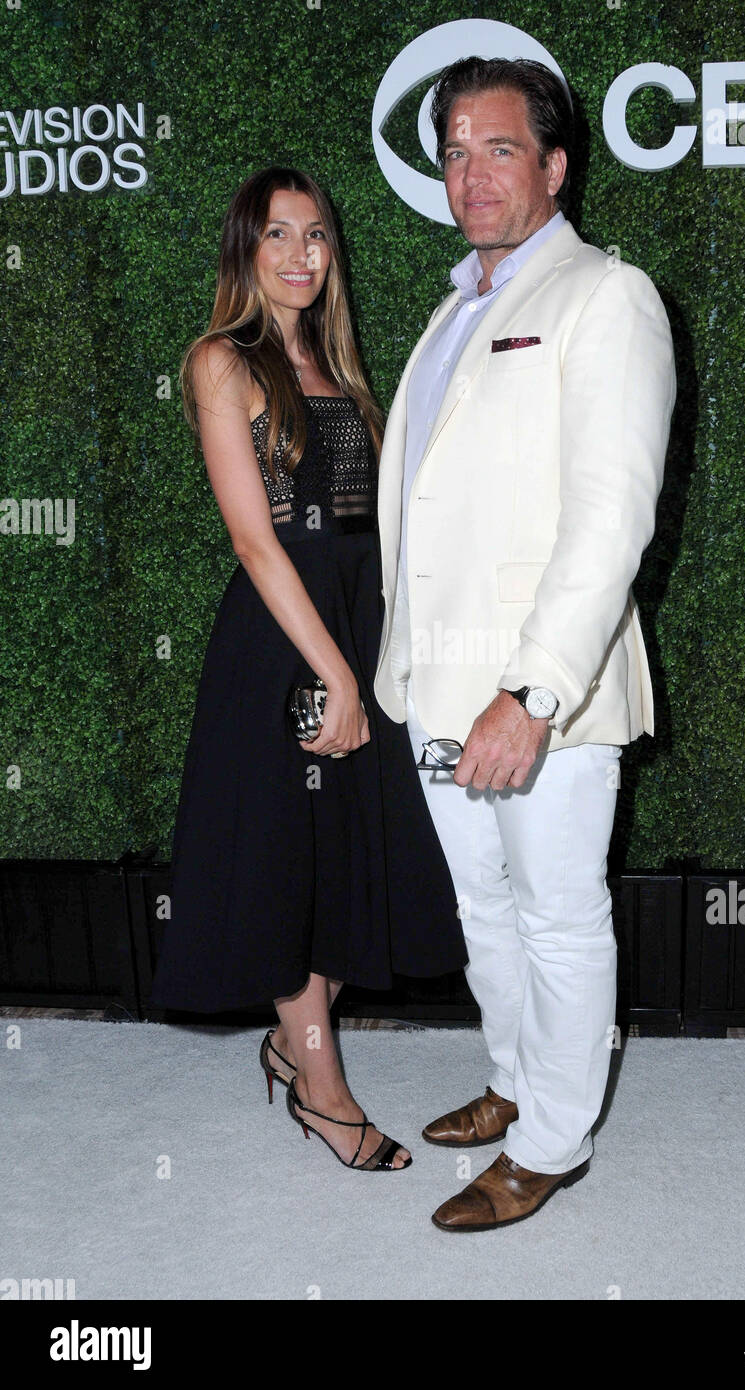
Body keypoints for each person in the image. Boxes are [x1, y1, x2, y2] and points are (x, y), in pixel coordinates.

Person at [373, 59, 676, 1227]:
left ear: (553, 167)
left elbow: (611, 519)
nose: (470, 173)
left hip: (538, 693)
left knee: (555, 912)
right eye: (454, 150)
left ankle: (553, 1140)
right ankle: (513, 1080)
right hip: (439, 681)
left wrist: (533, 692)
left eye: (498, 149)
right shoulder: (456, 306)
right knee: (484, 911)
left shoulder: (606, 296)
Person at [149, 166, 466, 1172]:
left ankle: (294, 1042)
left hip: (356, 632)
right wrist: (334, 670)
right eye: (275, 234)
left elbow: (383, 531)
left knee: (343, 854)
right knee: (289, 857)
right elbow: (255, 540)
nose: (296, 254)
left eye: (314, 235)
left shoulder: (342, 369)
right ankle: (323, 1094)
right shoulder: (219, 361)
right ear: (245, 251)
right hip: (285, 642)